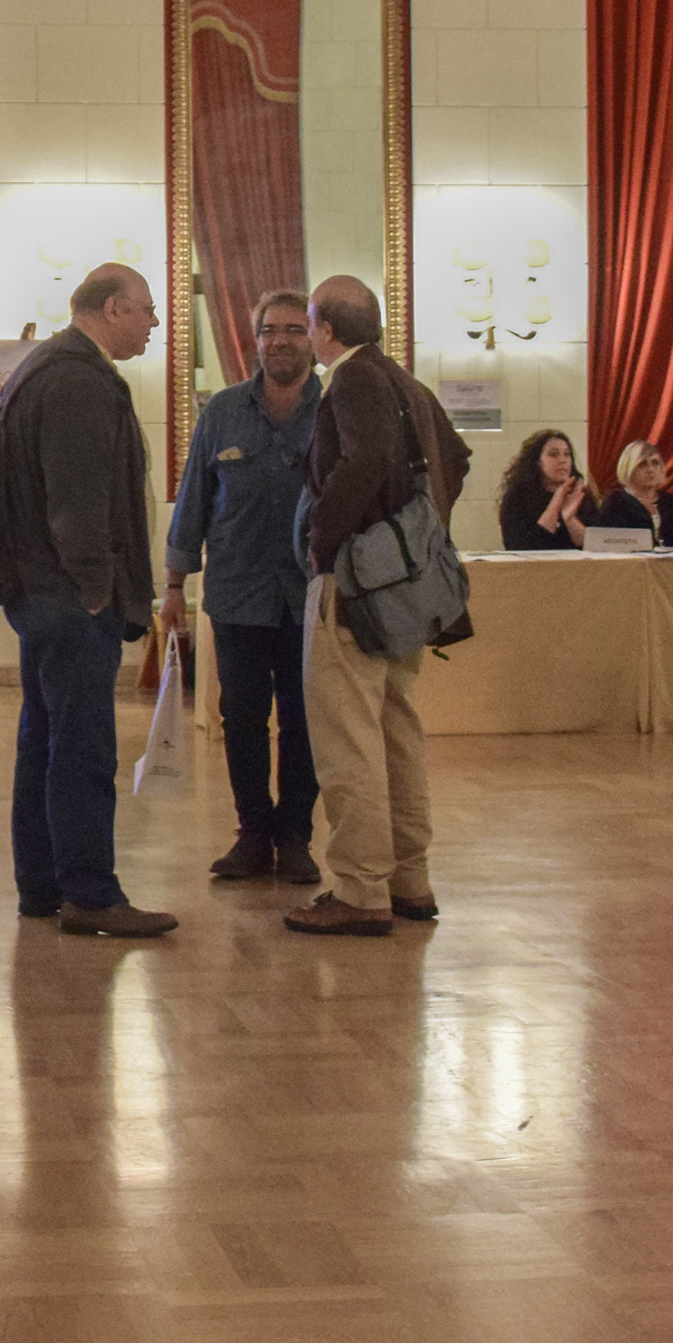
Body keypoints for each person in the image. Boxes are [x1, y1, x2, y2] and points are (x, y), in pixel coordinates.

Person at [0, 265, 177, 938]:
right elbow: (77, 501)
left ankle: (42, 888)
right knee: (83, 747)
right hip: (69, 599)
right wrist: (97, 591)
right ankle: (91, 893)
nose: (154, 324)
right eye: (148, 311)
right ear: (115, 308)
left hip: (45, 595)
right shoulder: (76, 380)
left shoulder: (50, 368)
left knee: (46, 741)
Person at [288, 274, 470, 938]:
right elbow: (456, 458)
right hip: (401, 588)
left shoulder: (354, 380)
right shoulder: (403, 380)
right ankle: (409, 881)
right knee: (396, 727)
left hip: (355, 585)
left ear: (326, 330)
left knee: (347, 736)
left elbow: (362, 461)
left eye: (309, 324)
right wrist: (416, 530)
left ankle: (361, 889)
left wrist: (325, 537)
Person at [162, 287, 325, 886]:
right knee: (243, 719)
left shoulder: (333, 409)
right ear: (254, 339)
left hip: (312, 597)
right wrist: (175, 584)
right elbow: (194, 501)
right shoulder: (223, 410)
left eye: (293, 329)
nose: (280, 340)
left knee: (306, 721)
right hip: (236, 594)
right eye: (269, 330)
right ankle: (253, 835)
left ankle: (297, 836)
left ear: (312, 339)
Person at [495, 427, 595, 550]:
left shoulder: (580, 495)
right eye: (554, 454)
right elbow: (523, 546)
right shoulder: (517, 497)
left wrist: (569, 518)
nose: (563, 460)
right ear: (537, 461)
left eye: (567, 454)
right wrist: (556, 502)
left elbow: (593, 547)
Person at [595, 439, 673, 546]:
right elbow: (604, 545)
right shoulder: (615, 503)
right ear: (628, 469)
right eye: (642, 464)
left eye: (655, 463)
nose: (650, 469)